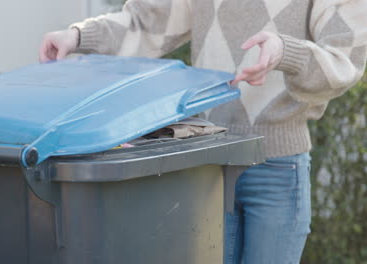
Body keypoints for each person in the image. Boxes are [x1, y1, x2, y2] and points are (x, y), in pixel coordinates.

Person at [39, 1, 367, 263]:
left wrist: (285, 52)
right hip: (207, 162)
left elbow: (344, 59)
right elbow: (148, 20)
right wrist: (80, 36)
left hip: (277, 168)